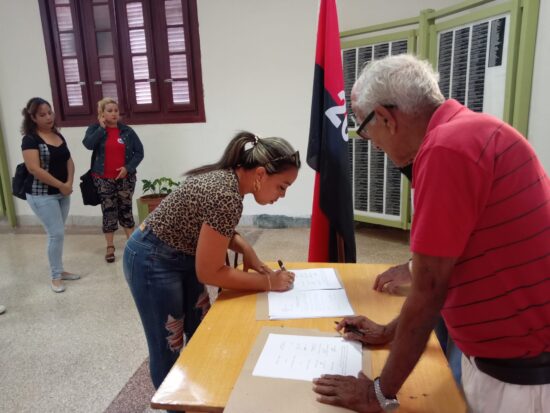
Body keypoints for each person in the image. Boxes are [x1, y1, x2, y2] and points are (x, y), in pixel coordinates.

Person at [313, 54, 550, 412]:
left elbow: (429, 290)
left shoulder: (445, 148)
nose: (369, 143)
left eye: (363, 128)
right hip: (509, 357)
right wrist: (390, 331)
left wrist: (378, 393)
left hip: (516, 376)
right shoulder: (470, 130)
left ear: (387, 118)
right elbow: (451, 267)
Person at [123, 131, 300, 389]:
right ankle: (176, 407)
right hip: (152, 259)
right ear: (260, 174)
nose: (282, 195)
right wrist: (268, 282)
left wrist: (245, 248)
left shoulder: (230, 181)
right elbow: (210, 272)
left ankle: (201, 394)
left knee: (203, 331)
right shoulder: (226, 194)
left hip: (182, 254)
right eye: (282, 186)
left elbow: (212, 227)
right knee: (168, 346)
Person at [21, 97, 79, 293]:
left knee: (58, 234)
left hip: (62, 192)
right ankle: (55, 276)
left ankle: (60, 270)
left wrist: (69, 183)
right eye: (42, 114)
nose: (48, 117)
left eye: (50, 112)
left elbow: (69, 160)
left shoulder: (57, 135)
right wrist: (61, 185)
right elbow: (34, 169)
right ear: (33, 118)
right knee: (56, 234)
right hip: (41, 195)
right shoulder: (30, 139)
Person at [83, 98, 144, 263]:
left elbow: (139, 152)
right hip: (103, 179)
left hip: (125, 179)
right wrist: (102, 129)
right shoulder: (95, 129)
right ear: (101, 114)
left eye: (116, 110)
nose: (114, 113)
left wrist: (128, 168)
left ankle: (131, 244)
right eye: (109, 111)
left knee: (126, 209)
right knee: (109, 212)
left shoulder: (127, 131)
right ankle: (110, 246)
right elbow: (88, 144)